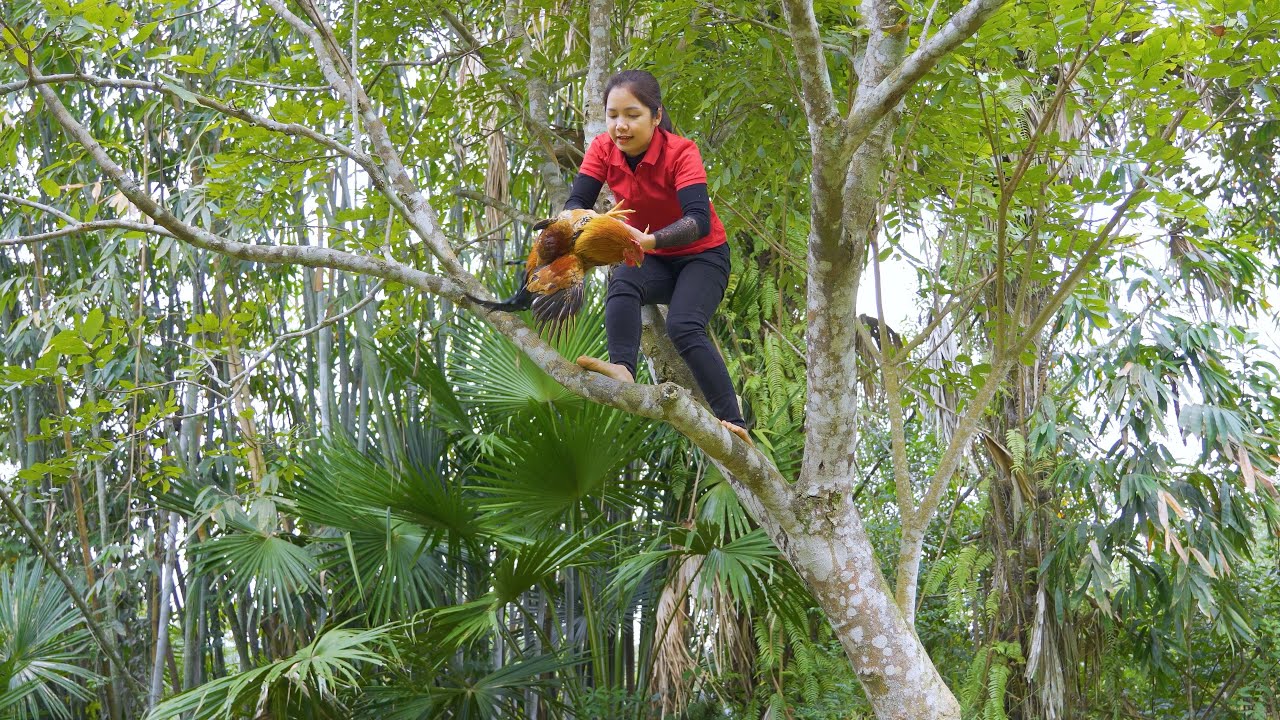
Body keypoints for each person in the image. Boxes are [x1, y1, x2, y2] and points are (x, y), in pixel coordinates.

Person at [568, 70, 751, 445]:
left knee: (683, 326)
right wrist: (576, 226)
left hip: (703, 257)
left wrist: (649, 240)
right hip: (653, 259)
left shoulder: (682, 152)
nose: (620, 125)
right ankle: (623, 367)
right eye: (612, 115)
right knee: (623, 281)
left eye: (632, 115)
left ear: (656, 116)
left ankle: (735, 423)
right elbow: (576, 203)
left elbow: (698, 221)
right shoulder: (602, 148)